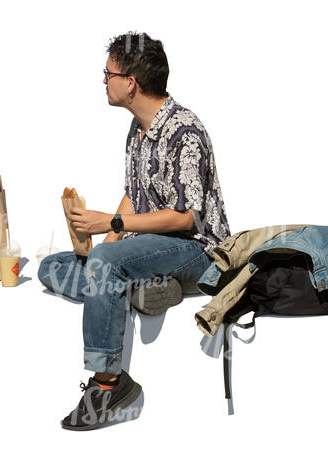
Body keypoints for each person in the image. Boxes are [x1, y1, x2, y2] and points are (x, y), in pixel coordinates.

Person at [38, 32, 231, 429]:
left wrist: (111, 225)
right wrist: (105, 246)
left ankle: (109, 384)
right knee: (53, 267)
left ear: (131, 82)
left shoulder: (184, 132)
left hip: (196, 250)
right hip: (150, 247)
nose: (103, 81)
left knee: (105, 265)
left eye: (108, 73)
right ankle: (135, 287)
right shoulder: (137, 129)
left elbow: (185, 218)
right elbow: (134, 191)